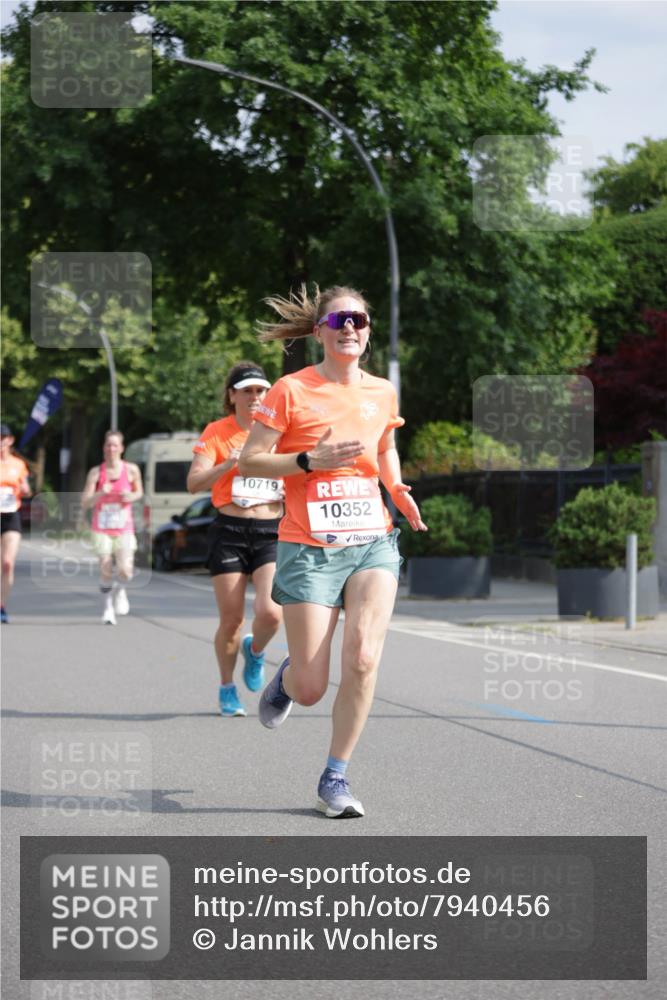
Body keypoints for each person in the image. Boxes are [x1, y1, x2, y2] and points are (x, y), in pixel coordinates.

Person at [239, 285, 427, 818]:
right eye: (339, 319)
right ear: (319, 330)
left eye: (360, 320)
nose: (351, 327)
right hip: (309, 546)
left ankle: (335, 777)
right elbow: (251, 462)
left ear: (368, 331)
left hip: (372, 540)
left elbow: (385, 445)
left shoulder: (382, 392)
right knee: (312, 686)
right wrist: (308, 461)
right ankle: (287, 676)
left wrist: (396, 488)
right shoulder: (289, 390)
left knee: (365, 657)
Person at [187, 362, 284, 718]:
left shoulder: (279, 430)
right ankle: (227, 688)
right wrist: (226, 464)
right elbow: (194, 483)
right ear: (233, 396)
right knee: (231, 621)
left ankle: (255, 651)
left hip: (271, 530)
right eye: (248, 391)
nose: (256, 397)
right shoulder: (217, 431)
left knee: (272, 613)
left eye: (261, 390)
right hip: (229, 531)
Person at [81, 430, 143, 625]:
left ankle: (121, 590)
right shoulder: (96, 472)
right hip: (101, 528)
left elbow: (139, 492)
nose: (111, 448)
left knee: (126, 570)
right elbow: (85, 502)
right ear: (103, 448)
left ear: (122, 448)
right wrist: (100, 493)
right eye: (108, 444)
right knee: (106, 569)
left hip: (124, 527)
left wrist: (130, 496)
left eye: (115, 445)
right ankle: (107, 608)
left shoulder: (131, 470)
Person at [0, 424, 31, 623]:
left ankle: (1, 605)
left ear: (10, 440)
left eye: (3, 438)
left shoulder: (18, 464)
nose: (0, 441)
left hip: (11, 515)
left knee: (8, 563)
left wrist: (25, 488)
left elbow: (27, 489)